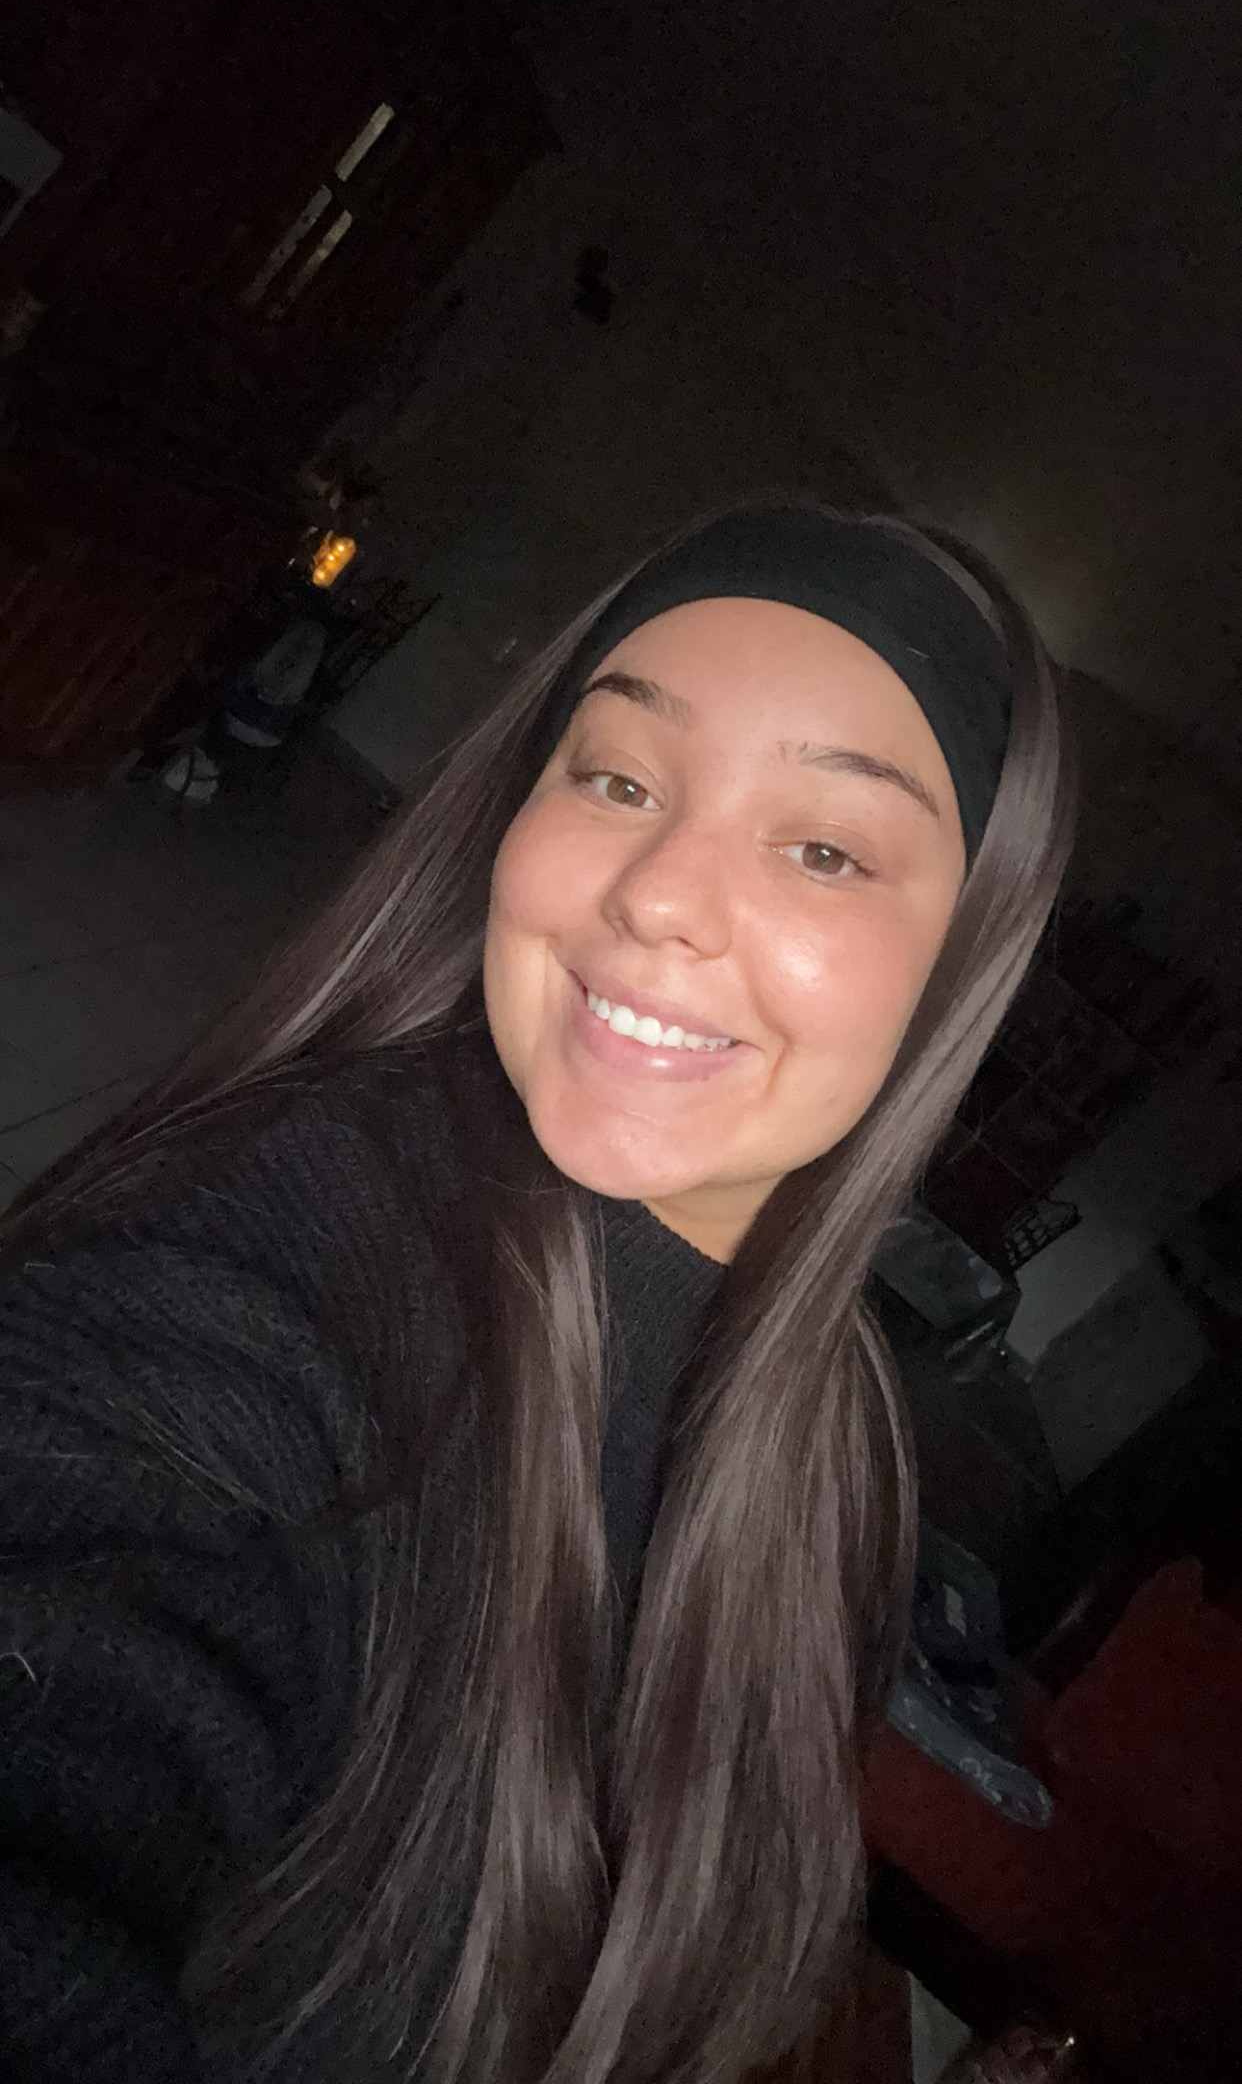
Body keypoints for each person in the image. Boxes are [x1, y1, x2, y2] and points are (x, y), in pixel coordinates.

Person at [0, 500, 1074, 2083]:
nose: (657, 894)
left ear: (954, 970)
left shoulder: (835, 1437)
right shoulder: (254, 1269)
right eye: (618, 777)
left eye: (825, 850)